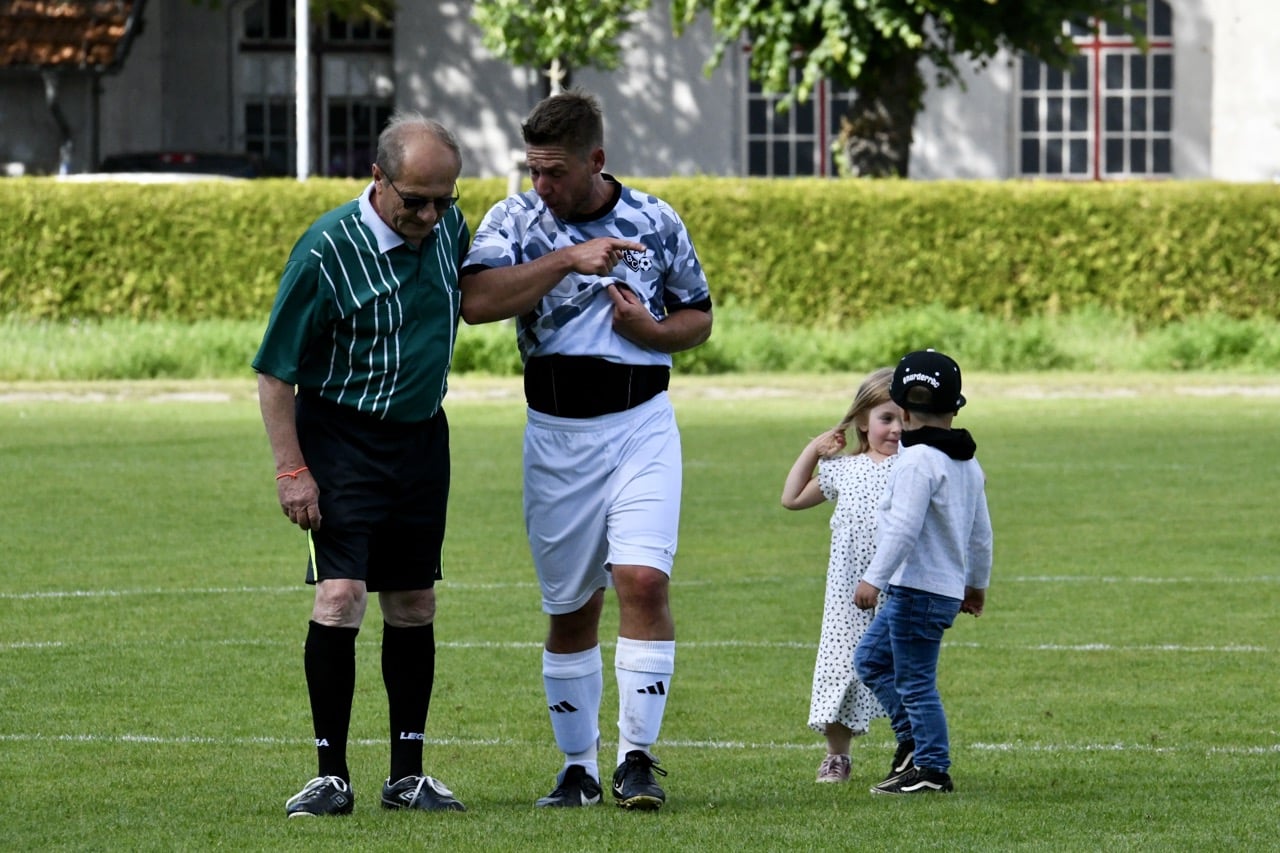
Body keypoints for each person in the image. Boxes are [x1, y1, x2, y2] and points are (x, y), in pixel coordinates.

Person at [458, 89, 713, 811]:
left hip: (641, 427)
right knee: (572, 607)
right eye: (533, 169)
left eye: (556, 171)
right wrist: (570, 258)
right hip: (557, 436)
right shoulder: (513, 218)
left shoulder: (656, 219)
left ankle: (636, 758)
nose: (543, 185)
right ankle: (578, 767)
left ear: (595, 160)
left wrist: (656, 335)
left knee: (643, 581)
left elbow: (698, 313)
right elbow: (476, 302)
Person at [252, 111, 470, 818]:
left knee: (413, 601)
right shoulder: (326, 251)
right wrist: (292, 469)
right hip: (341, 438)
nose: (432, 216)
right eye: (417, 201)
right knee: (340, 595)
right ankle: (330, 775)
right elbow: (274, 373)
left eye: (446, 200)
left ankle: (407, 775)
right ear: (377, 180)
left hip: (421, 440)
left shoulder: (446, 235)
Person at [852, 349, 994, 795]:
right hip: (937, 590)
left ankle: (931, 767)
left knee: (914, 681)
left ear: (904, 410)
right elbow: (981, 534)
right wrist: (975, 585)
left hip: (916, 590)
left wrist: (874, 577)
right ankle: (913, 740)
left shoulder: (918, 461)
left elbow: (904, 528)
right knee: (871, 661)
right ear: (955, 407)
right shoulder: (966, 462)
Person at [780, 367, 902, 783]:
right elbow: (791, 498)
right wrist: (812, 451)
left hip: (899, 589)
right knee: (839, 670)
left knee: (905, 672)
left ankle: (914, 752)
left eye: (905, 418)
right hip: (847, 594)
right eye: (887, 418)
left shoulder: (916, 466)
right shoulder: (844, 470)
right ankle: (837, 757)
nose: (896, 428)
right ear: (862, 422)